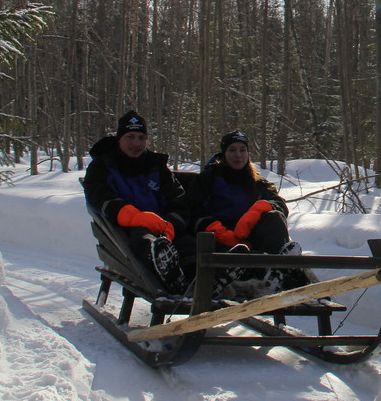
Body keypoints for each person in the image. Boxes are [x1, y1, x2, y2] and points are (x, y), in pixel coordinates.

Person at [82, 110, 194, 294]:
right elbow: (100, 197)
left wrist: (170, 225)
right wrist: (137, 218)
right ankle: (173, 282)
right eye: (130, 137)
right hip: (126, 234)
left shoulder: (156, 166)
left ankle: (204, 282)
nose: (137, 143)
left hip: (165, 228)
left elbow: (178, 200)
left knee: (190, 244)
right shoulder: (103, 166)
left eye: (142, 138)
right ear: (119, 139)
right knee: (144, 241)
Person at [184, 130, 309, 292]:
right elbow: (193, 208)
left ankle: (280, 269)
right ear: (224, 153)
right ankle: (278, 270)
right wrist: (218, 231)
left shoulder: (258, 182)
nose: (238, 155)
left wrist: (258, 209)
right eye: (232, 150)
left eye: (242, 150)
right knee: (244, 256)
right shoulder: (209, 178)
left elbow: (279, 203)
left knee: (273, 216)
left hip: (251, 239)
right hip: (219, 241)